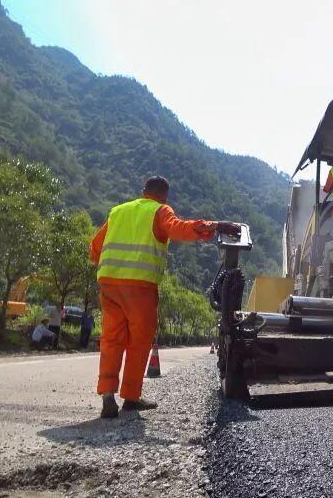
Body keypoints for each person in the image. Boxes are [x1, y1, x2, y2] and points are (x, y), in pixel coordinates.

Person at [89, 175, 241, 419]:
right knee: (139, 341)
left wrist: (107, 266)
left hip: (108, 283)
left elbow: (95, 246)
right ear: (164, 196)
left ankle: (107, 395)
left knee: (111, 339)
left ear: (143, 191)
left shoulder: (117, 211)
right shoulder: (160, 211)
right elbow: (179, 229)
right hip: (140, 286)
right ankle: (131, 397)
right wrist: (216, 225)